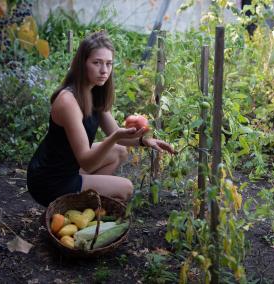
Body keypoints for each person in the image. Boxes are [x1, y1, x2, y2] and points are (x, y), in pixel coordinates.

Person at [27, 31, 174, 207]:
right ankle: (73, 206)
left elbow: (117, 134)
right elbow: (87, 162)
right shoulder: (68, 101)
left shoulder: (94, 91)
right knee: (126, 188)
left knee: (119, 151)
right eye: (97, 63)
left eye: (109, 64)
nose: (104, 70)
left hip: (69, 168)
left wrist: (145, 141)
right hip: (49, 180)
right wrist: (115, 138)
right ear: (82, 64)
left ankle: (80, 201)